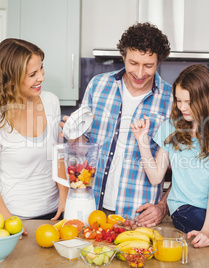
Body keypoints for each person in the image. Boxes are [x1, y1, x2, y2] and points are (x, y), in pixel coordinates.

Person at [130, 64, 209, 267]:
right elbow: (155, 177)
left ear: (205, 99)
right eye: (179, 100)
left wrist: (208, 229)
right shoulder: (170, 127)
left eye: (189, 101)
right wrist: (142, 140)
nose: (182, 107)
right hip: (185, 208)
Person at [61, 22, 172, 226]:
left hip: (138, 216)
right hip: (92, 209)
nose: (139, 73)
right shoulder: (98, 85)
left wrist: (163, 206)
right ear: (123, 56)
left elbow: (184, 169)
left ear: (159, 62)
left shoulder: (172, 99)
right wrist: (73, 135)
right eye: (133, 63)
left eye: (148, 65)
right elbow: (83, 149)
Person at [0, 38, 68, 235]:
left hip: (55, 214)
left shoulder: (50, 101)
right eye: (32, 74)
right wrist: (11, 222)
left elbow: (58, 154)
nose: (41, 77)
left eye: (41, 69)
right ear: (11, 78)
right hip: (15, 217)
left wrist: (64, 196)